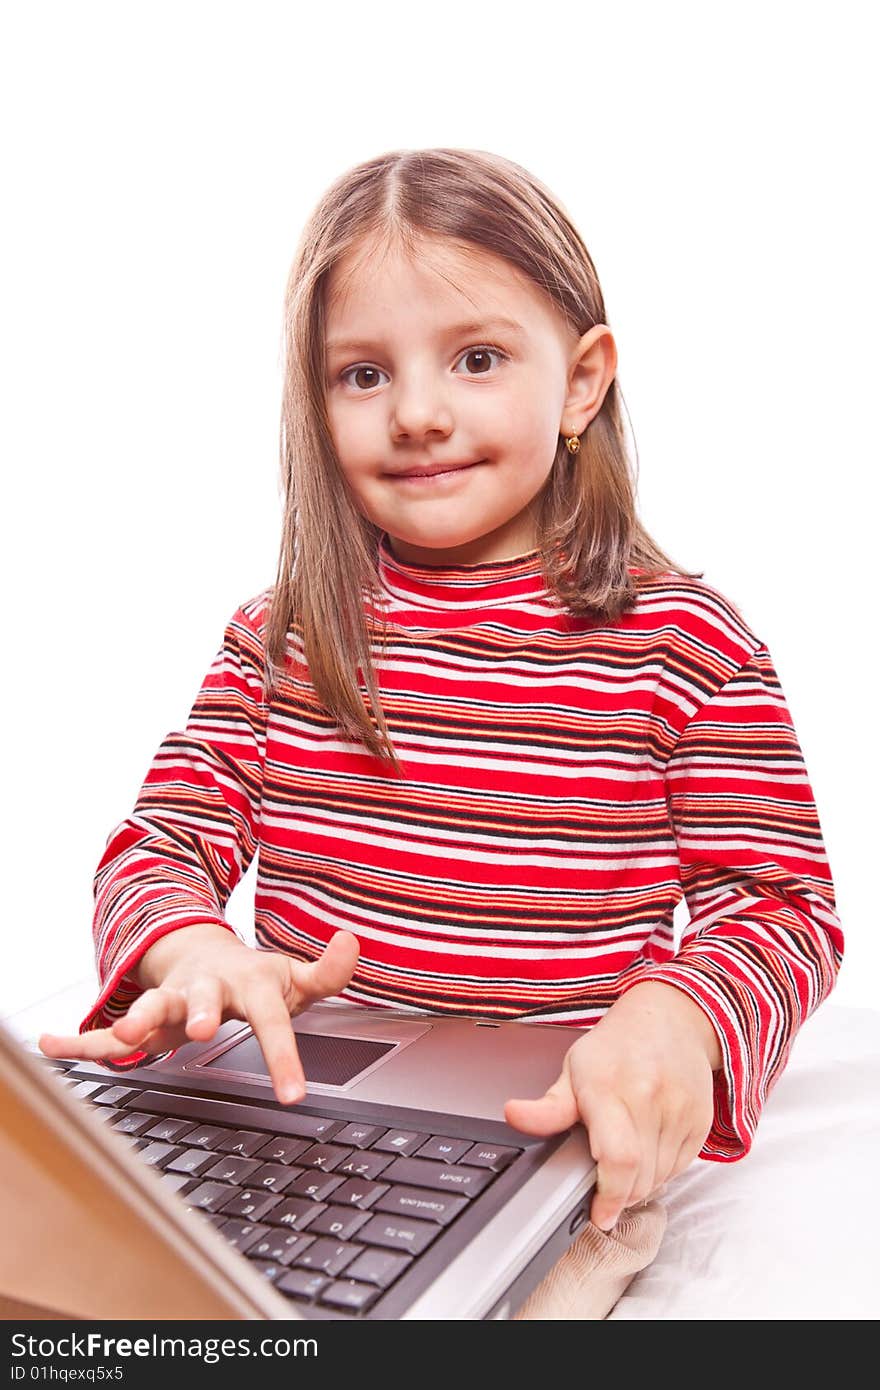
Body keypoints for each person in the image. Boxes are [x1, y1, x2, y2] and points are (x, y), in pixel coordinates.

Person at [39, 147, 843, 1319]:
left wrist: (675, 1013)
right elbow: (159, 843)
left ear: (581, 384)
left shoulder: (683, 642)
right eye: (362, 374)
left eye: (475, 359)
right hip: (295, 1113)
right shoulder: (285, 637)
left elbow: (781, 908)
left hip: (544, 1128)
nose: (417, 413)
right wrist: (193, 952)